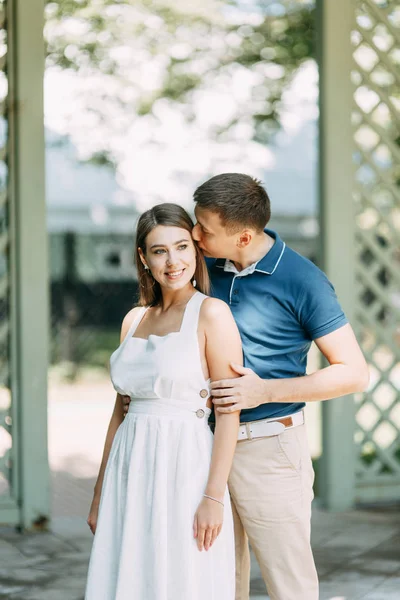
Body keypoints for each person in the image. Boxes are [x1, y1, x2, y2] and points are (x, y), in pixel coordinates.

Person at [122, 174, 369, 600]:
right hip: (202, 448)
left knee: (288, 583)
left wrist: (267, 391)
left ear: (244, 236)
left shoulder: (303, 281)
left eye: (205, 230)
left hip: (268, 449)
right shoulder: (201, 269)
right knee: (214, 580)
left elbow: (354, 372)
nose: (194, 237)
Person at [85, 203, 243, 600]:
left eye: (182, 247)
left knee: (181, 575)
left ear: (196, 250)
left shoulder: (212, 314)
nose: (173, 261)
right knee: (129, 573)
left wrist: (213, 496)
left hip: (184, 465)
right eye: (159, 251)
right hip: (129, 466)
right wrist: (101, 490)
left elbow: (229, 413)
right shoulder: (133, 319)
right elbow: (119, 413)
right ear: (143, 257)